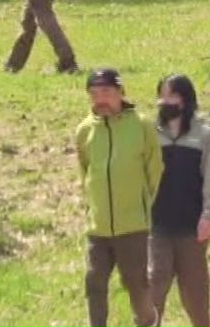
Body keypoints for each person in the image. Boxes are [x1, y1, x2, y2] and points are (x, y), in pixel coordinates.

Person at [75, 68, 161, 327]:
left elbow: (154, 171)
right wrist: (92, 208)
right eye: (95, 94)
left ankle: (148, 319)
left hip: (132, 224)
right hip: (98, 226)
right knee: (94, 281)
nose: (101, 99)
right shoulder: (84, 131)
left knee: (135, 284)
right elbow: (84, 171)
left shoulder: (142, 126)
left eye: (107, 92)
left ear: (121, 92)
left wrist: (142, 205)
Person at [149, 74, 210, 327]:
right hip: (156, 226)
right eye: (162, 96)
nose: (165, 102)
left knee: (195, 294)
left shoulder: (203, 135)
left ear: (186, 100)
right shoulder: (150, 135)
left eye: (172, 96)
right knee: (154, 286)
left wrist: (208, 216)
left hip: (192, 227)